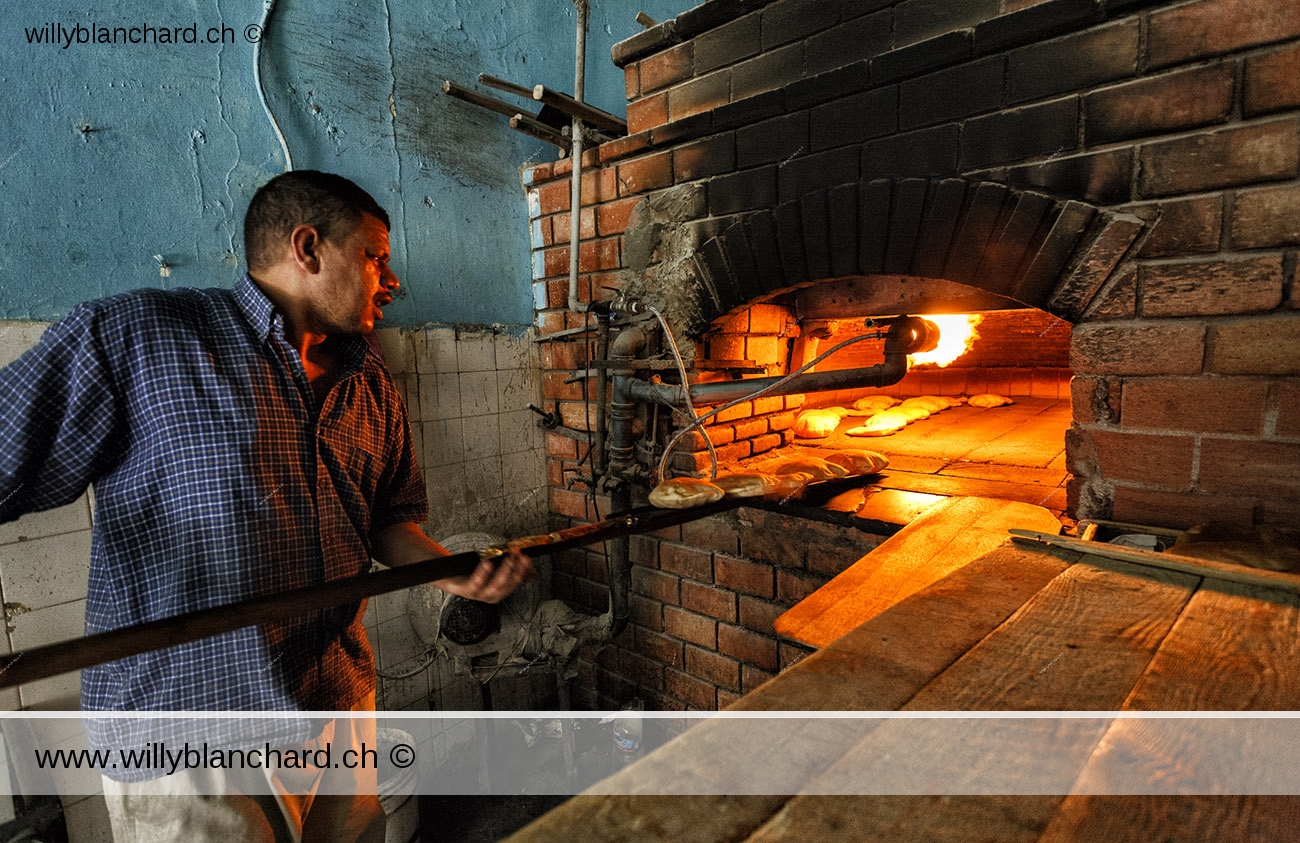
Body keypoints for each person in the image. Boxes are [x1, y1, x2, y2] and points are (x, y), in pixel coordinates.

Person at [0, 170, 532, 842]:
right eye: (374, 257)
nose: (390, 281)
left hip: (336, 707)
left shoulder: (368, 382)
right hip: (190, 730)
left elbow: (390, 522)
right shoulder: (143, 339)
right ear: (308, 248)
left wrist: (449, 568)